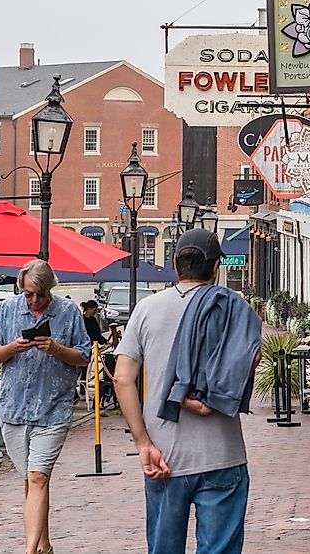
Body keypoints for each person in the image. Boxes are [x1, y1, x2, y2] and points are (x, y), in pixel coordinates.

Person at [114, 229, 263, 554]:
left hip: (163, 454)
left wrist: (143, 444)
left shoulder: (147, 309)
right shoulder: (233, 306)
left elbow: (122, 378)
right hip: (222, 452)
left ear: (174, 263)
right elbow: (252, 358)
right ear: (215, 268)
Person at [0, 260, 92, 554]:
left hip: (53, 408)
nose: (33, 300)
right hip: (14, 408)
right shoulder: (7, 310)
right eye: (28, 294)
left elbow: (83, 357)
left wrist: (55, 348)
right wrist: (13, 347)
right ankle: (44, 545)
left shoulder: (68, 313)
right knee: (31, 479)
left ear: (50, 290)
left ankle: (29, 550)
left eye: (39, 295)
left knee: (38, 476)